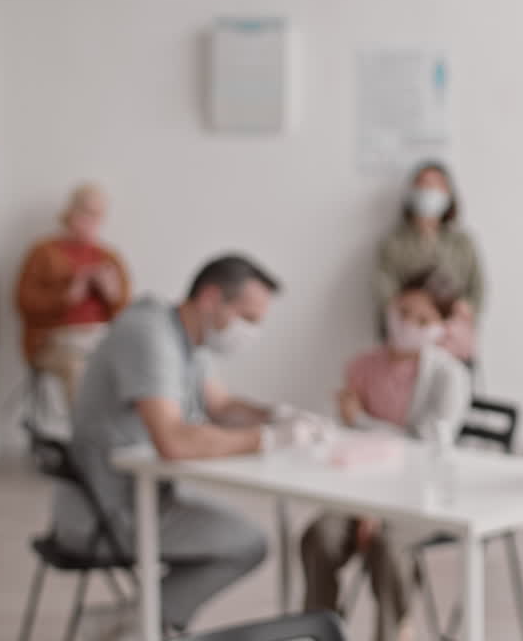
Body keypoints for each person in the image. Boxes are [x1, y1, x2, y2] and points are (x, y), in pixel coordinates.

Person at [50, 254, 330, 635]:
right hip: (105, 515)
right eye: (247, 318)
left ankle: (134, 621)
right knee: (248, 543)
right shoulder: (148, 333)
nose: (250, 332)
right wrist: (269, 440)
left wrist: (278, 415)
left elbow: (221, 407)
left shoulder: (188, 339)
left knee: (239, 533)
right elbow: (174, 441)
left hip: (143, 499)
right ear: (212, 298)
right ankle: (136, 624)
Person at [300, 272, 472, 641]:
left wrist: (361, 420)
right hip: (359, 493)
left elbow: (425, 446)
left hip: (424, 493)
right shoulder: (361, 366)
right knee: (320, 536)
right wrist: (368, 505)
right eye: (403, 311)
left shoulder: (449, 376)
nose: (407, 323)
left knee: (388, 543)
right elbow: (343, 441)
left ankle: (395, 631)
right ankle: (317, 630)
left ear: (440, 328)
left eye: (422, 320)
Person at [16, 183, 131, 407]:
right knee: (80, 367)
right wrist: (68, 296)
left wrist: (112, 295)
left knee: (130, 362)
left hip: (100, 337)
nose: (91, 220)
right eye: (87, 212)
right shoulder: (43, 253)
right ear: (71, 212)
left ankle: (124, 433)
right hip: (55, 341)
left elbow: (126, 314)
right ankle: (87, 434)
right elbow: (23, 304)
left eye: (98, 215)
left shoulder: (108, 257)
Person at [373, 162, 484, 363]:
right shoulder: (393, 243)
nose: (428, 191)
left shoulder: (462, 243)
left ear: (448, 194)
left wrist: (466, 308)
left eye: (435, 186)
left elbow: (477, 289)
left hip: (452, 344)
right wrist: (413, 315)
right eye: (422, 185)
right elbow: (384, 292)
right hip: (407, 344)